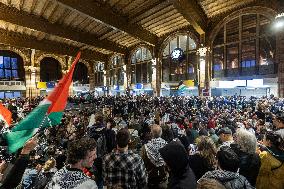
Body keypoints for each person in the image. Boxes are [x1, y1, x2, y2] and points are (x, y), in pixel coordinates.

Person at [141, 124, 168, 189]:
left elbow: (142, 163)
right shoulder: (167, 146)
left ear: (151, 134)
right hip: (163, 178)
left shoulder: (145, 147)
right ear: (161, 133)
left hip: (150, 178)